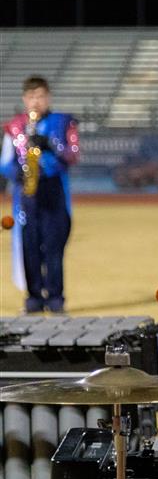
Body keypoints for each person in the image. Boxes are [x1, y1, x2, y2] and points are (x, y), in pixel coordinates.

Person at [0, 75, 79, 314]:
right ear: (24, 99)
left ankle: (55, 298)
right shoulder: (14, 127)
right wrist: (19, 173)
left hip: (54, 191)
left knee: (55, 248)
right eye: (32, 97)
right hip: (27, 195)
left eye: (41, 96)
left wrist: (52, 145)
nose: (36, 102)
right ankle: (33, 297)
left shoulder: (63, 122)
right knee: (29, 246)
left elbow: (73, 154)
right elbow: (4, 163)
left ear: (48, 97)